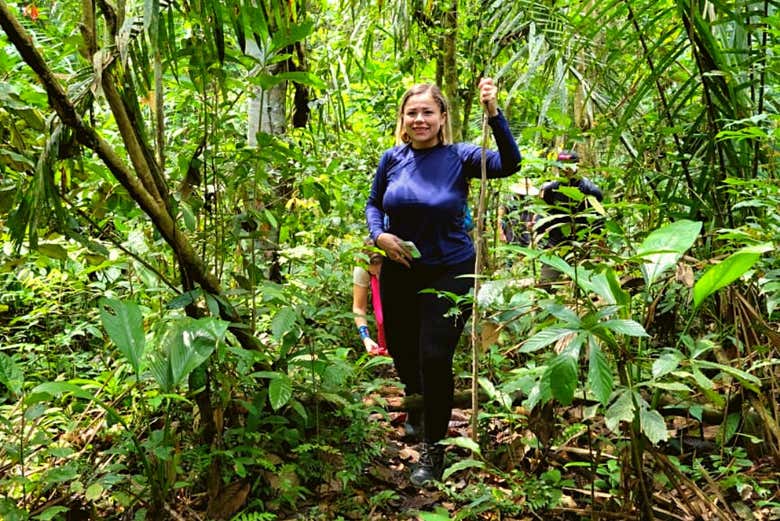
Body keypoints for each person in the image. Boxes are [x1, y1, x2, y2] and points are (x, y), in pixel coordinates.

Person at [365, 78, 522, 487]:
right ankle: (420, 401)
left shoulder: (461, 156)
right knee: (402, 350)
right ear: (403, 118)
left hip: (450, 268)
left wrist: (494, 112)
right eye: (412, 112)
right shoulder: (391, 159)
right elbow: (373, 204)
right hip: (400, 268)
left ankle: (434, 448)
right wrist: (378, 235)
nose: (419, 119)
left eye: (427, 112)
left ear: (441, 118)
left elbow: (510, 164)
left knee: (435, 355)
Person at [535, 150, 603, 281]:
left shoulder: (590, 190)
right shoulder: (551, 190)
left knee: (584, 284)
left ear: (577, 166)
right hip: (557, 242)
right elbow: (547, 213)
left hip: (582, 242)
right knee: (546, 281)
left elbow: (597, 220)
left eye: (569, 165)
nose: (565, 169)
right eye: (561, 165)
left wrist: (599, 245)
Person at [352, 240, 388, 356]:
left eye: (381, 272)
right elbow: (359, 308)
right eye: (374, 273)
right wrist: (365, 337)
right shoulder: (362, 268)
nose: (378, 276)